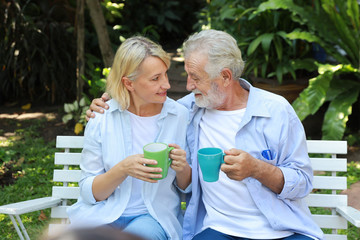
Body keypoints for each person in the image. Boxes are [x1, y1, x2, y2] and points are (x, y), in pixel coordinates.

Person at [87, 30, 324, 240]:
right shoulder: (188, 109)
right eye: (188, 75)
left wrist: (257, 169)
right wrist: (108, 101)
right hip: (219, 229)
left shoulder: (276, 110)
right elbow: (139, 99)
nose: (188, 85)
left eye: (196, 77)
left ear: (225, 77)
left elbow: (302, 182)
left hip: (282, 230)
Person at [68, 36, 191, 240]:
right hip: (103, 214)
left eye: (165, 75)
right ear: (129, 83)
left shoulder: (180, 116)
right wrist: (123, 169)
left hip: (153, 217)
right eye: (155, 79)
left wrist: (183, 168)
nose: (167, 84)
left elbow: (187, 188)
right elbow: (89, 193)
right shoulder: (102, 117)